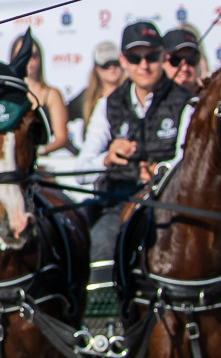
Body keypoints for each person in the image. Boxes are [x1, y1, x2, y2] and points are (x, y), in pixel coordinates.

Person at [77, 21, 192, 261]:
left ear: (163, 56)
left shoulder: (187, 103)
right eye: (134, 58)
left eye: (151, 57)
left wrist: (160, 170)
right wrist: (107, 159)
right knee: (100, 247)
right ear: (123, 61)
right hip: (118, 204)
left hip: (171, 205)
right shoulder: (107, 105)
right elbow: (82, 171)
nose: (143, 65)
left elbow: (188, 162)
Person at [12, 30, 71, 149]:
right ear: (13, 58)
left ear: (40, 58)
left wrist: (38, 152)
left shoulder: (51, 94)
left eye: (33, 55)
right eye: (22, 55)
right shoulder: (6, 94)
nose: (28, 60)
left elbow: (61, 138)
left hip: (44, 157)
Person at [65, 41, 124, 153]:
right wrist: (71, 148)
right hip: (96, 158)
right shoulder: (86, 98)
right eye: (106, 64)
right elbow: (59, 118)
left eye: (115, 63)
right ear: (97, 68)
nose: (112, 67)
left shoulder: (132, 94)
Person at [162, 26, 207, 94]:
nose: (185, 68)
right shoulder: (150, 99)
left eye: (191, 59)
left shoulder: (210, 98)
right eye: (176, 60)